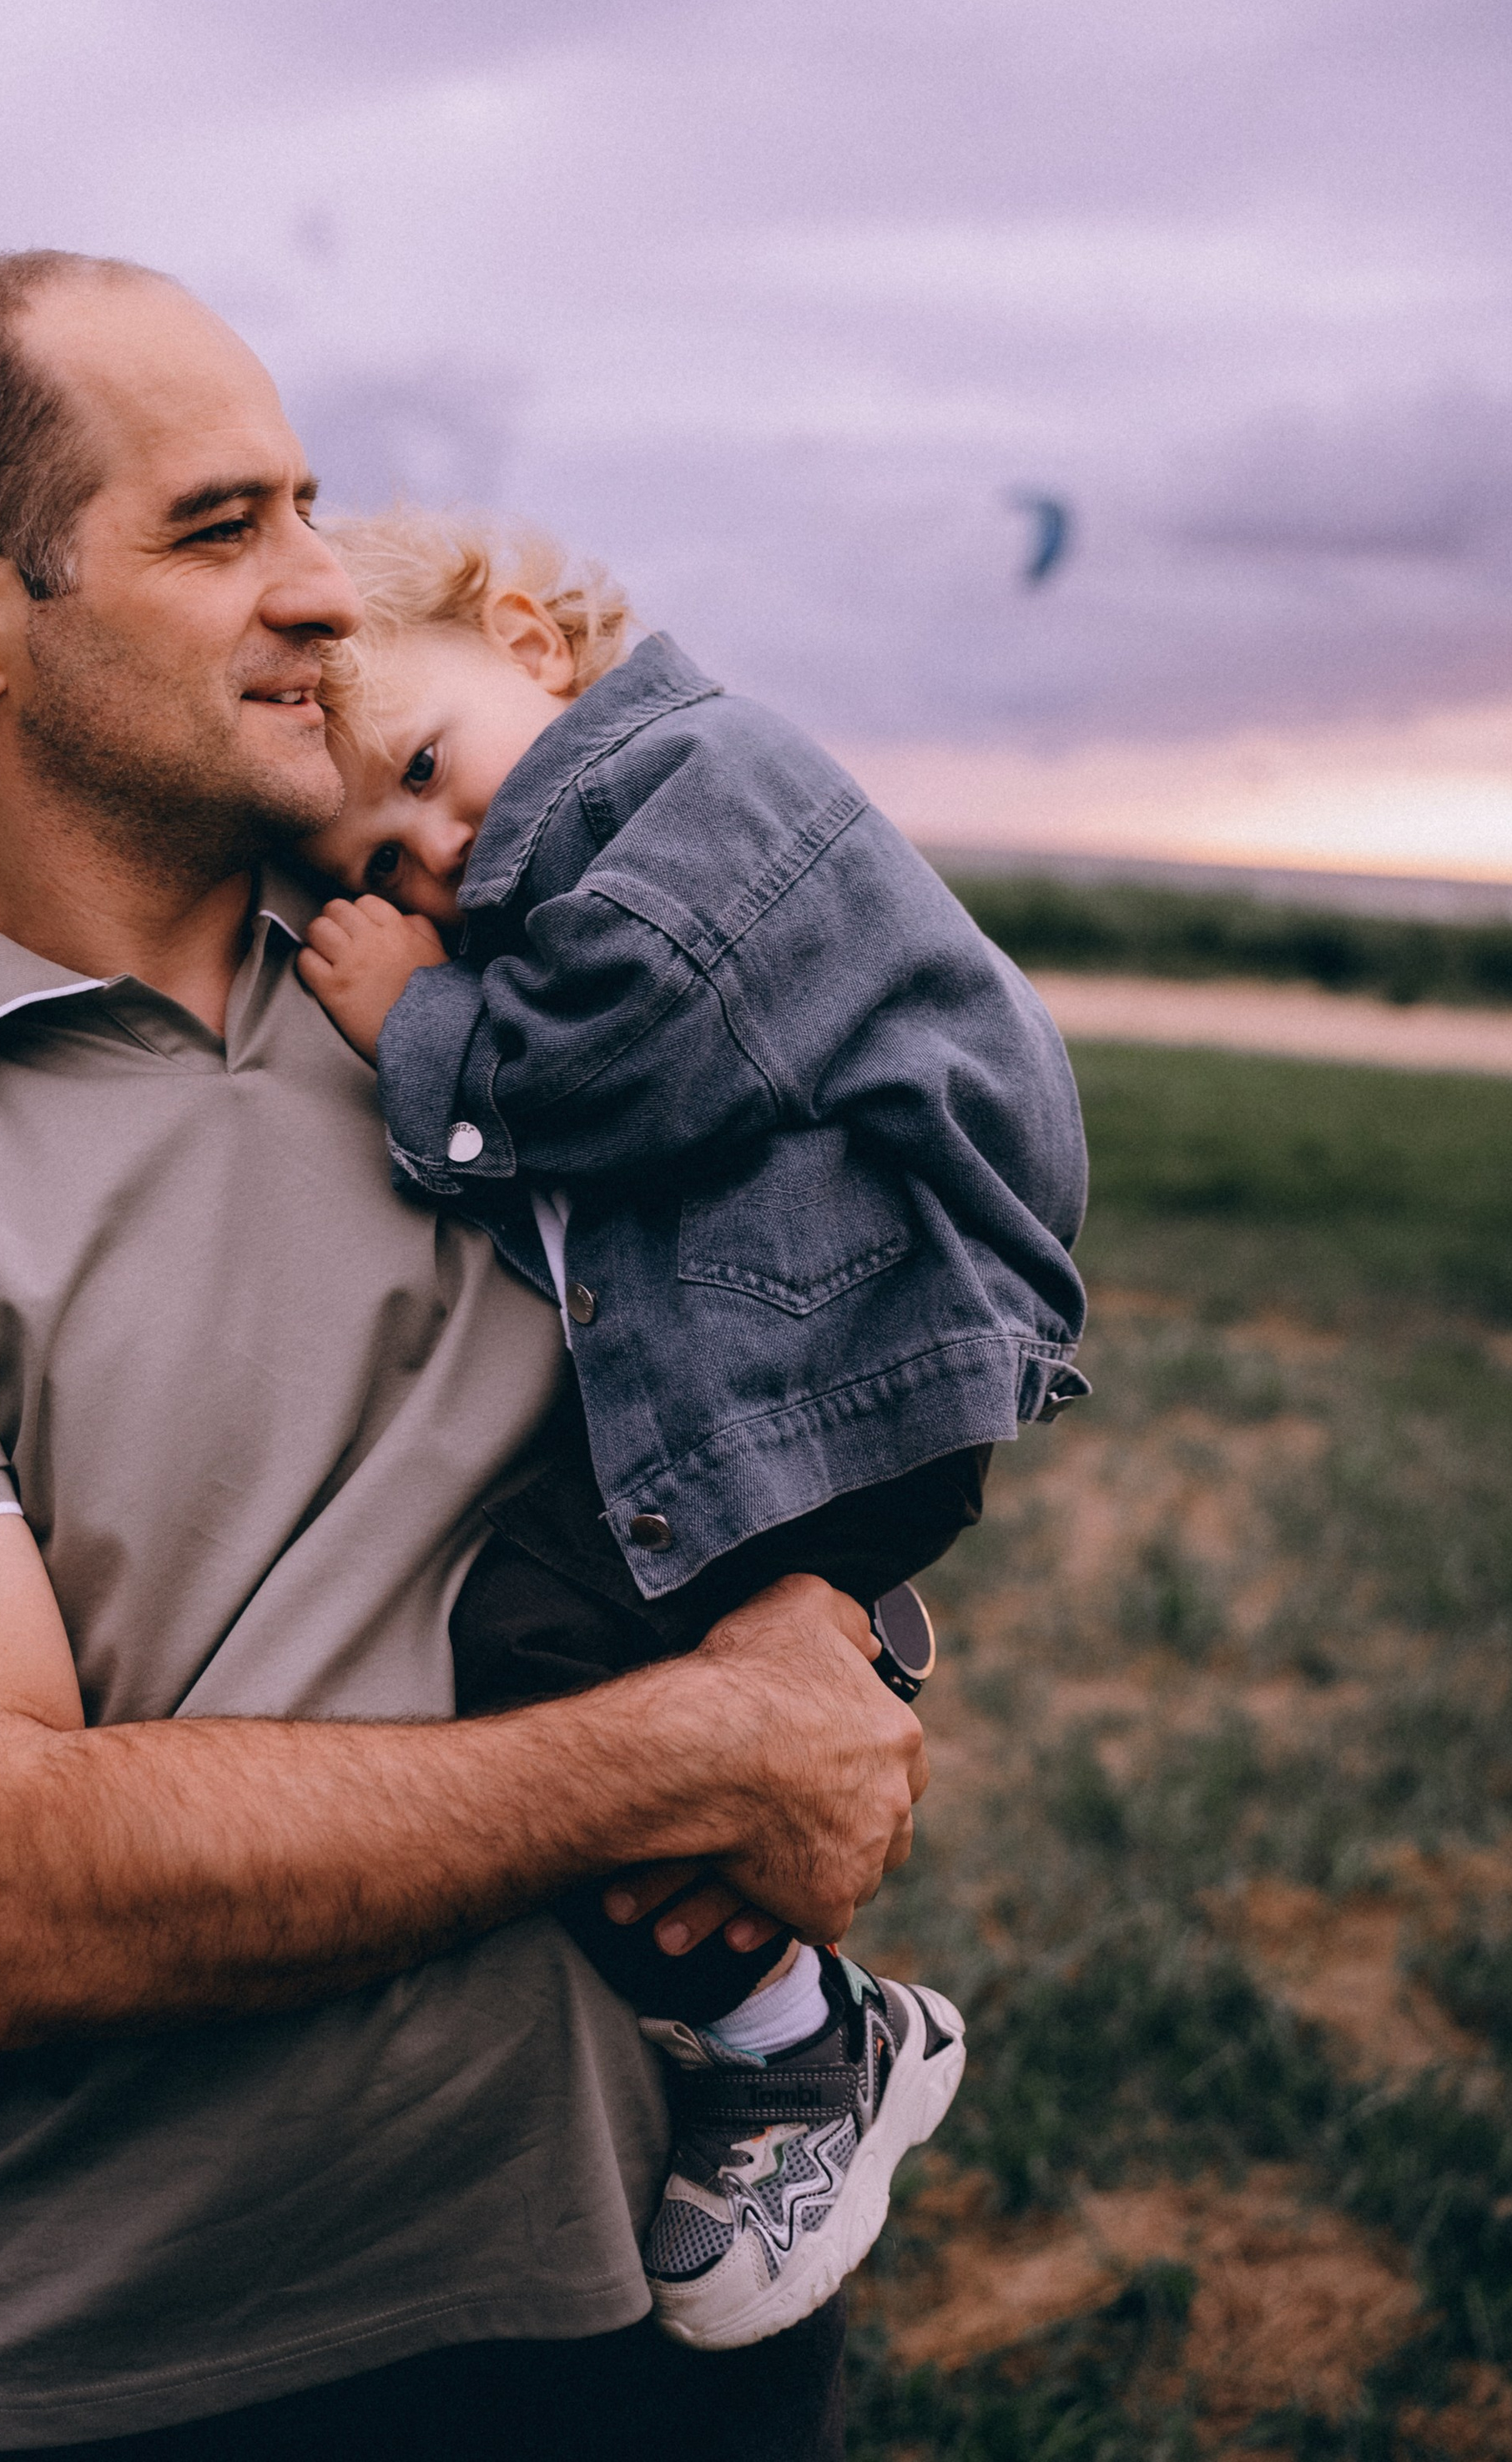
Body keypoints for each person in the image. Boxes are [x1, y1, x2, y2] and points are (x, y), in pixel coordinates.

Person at [0, 250, 930, 2462]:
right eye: (223, 530)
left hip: (676, 2298)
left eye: (307, 510)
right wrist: (698, 1747)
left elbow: (815, 1393)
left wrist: (840, 1640)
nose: (319, 589)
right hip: (147, 2370)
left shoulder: (505, 1005)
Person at [295, 508, 1089, 2354]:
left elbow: (635, 1042)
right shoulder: (588, 835)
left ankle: (802, 2052)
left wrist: (419, 1025)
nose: (438, 853)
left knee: (540, 1649)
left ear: (531, 643)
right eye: (389, 860)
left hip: (845, 1356)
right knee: (575, 1671)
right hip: (809, 1368)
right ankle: (835, 1707)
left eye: (425, 770)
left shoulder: (688, 778)